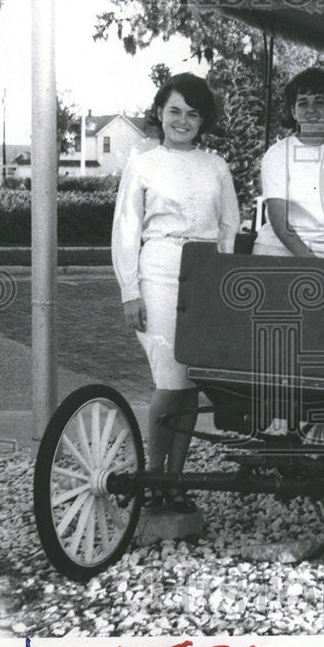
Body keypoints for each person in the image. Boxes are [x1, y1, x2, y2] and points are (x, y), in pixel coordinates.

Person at [112, 72, 240, 512]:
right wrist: (131, 290)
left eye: (192, 113)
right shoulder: (142, 164)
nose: (182, 121)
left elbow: (229, 228)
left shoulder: (216, 165)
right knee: (169, 380)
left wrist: (222, 283)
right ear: (160, 113)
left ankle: (174, 480)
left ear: (202, 120)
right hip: (161, 271)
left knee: (190, 385)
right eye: (174, 111)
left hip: (205, 274)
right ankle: (152, 472)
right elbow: (127, 231)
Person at [253, 68, 324, 259]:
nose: (311, 110)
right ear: (293, 112)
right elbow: (280, 223)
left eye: (319, 102)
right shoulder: (277, 153)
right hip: (276, 252)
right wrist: (313, 264)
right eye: (303, 103)